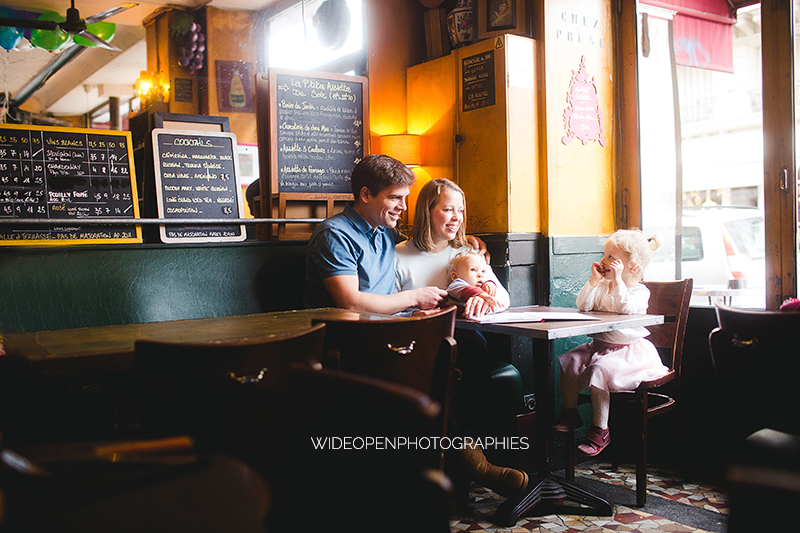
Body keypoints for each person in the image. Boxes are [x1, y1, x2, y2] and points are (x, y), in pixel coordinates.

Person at [394, 179, 526, 500]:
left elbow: (503, 298)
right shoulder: (398, 255)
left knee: (470, 345)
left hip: (464, 346)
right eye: (448, 209)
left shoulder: (466, 253)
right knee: (454, 359)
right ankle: (472, 466)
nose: (456, 217)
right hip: (417, 346)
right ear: (428, 211)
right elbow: (388, 311)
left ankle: (466, 464)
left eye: (460, 210)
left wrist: (487, 296)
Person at [553, 229, 667, 456]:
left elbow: (626, 309)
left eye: (612, 258)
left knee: (599, 370)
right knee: (569, 360)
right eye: (605, 255)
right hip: (599, 347)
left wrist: (616, 282)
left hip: (628, 353)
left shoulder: (639, 292)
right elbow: (583, 306)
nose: (604, 261)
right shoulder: (602, 287)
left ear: (632, 267)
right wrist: (593, 282)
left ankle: (600, 430)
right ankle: (570, 412)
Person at [304, 154, 448, 313]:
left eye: (405, 198)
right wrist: (414, 298)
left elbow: (419, 243)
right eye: (395, 198)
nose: (403, 207)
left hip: (386, 325)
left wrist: (464, 240)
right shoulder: (334, 235)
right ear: (365, 195)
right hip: (348, 333)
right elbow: (352, 304)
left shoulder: (385, 230)